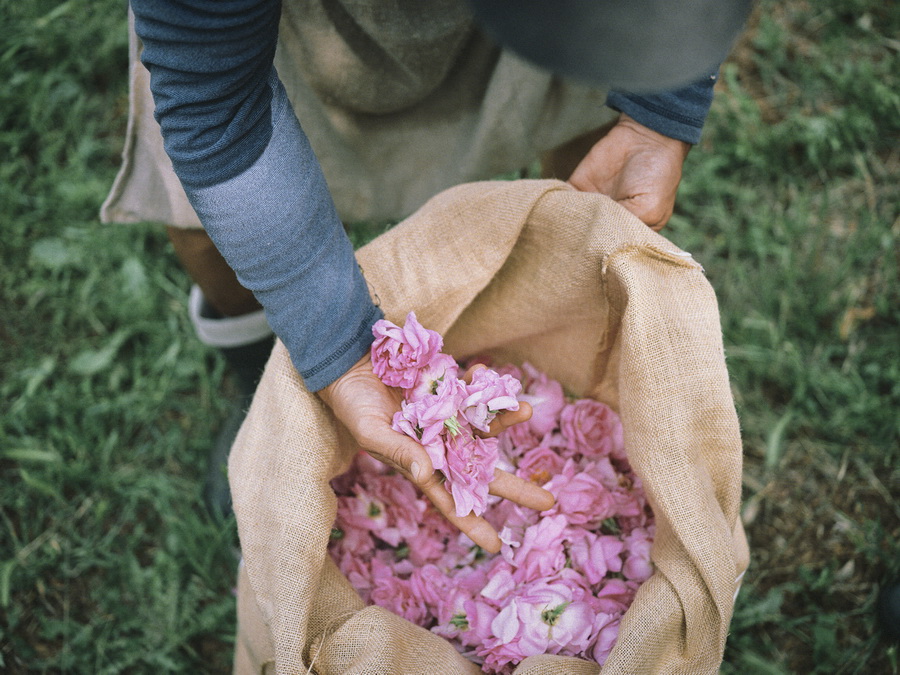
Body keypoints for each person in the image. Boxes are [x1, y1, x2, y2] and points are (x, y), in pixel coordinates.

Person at [107, 0, 750, 552]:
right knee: (209, 225)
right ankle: (253, 372)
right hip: (291, 33)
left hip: (546, 28)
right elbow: (215, 107)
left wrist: (657, 114)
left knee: (583, 129)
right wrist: (336, 343)